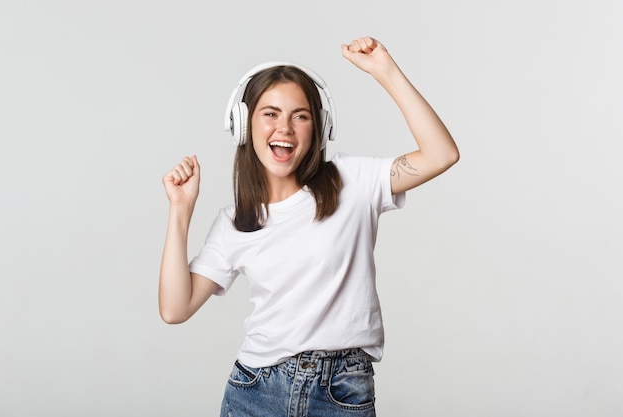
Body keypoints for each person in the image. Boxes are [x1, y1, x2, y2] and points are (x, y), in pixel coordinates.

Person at [159, 36, 459, 417]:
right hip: (256, 392)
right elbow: (174, 308)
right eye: (270, 113)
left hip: (342, 392)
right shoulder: (236, 222)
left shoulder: (352, 180)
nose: (284, 127)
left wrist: (386, 72)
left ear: (318, 128)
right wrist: (180, 212)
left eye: (299, 115)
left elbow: (441, 153)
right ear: (243, 125)